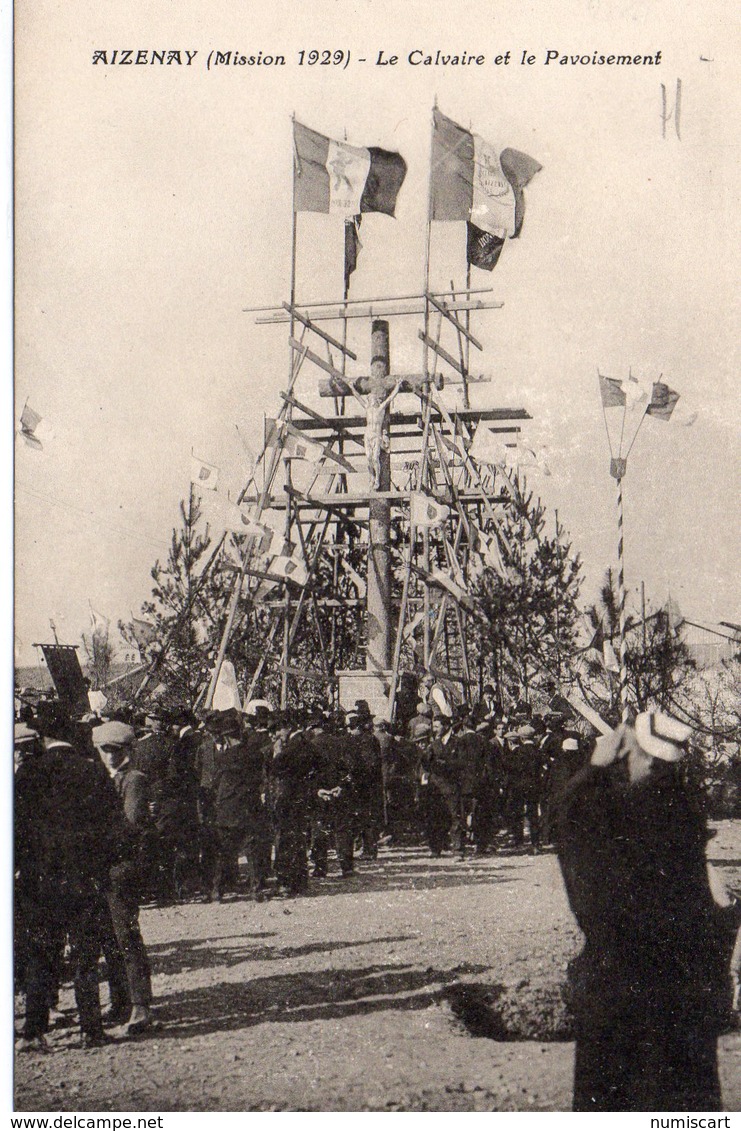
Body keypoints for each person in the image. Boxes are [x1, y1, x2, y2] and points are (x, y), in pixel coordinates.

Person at [554, 710, 741, 1111]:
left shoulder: (633, 812)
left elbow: (570, 825)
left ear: (640, 754)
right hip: (685, 997)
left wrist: (593, 769)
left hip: (626, 994)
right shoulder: (683, 809)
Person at [92, 720, 154, 1036]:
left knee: (126, 936)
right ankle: (120, 1001)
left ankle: (140, 1003)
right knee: (109, 939)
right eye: (105, 751)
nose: (110, 757)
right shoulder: (106, 779)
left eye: (116, 751)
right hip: (105, 869)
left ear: (128, 750)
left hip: (122, 868)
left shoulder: (134, 780)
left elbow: (130, 824)